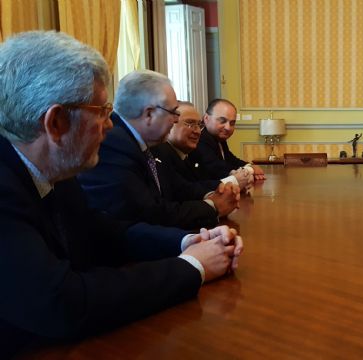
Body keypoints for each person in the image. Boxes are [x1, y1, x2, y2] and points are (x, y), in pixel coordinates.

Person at [0, 31, 243, 356]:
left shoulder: (57, 168)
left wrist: (186, 242)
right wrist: (190, 268)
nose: (111, 124)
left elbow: (103, 232)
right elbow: (63, 302)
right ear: (56, 123)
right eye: (101, 110)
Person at [78, 71, 239, 230]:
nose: (177, 119)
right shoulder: (113, 145)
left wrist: (218, 191)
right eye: (173, 112)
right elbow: (151, 212)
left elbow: (179, 187)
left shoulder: (154, 144)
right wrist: (212, 207)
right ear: (149, 114)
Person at [152, 101, 253, 191]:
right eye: (190, 123)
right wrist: (233, 181)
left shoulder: (185, 153)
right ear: (170, 124)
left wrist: (235, 180)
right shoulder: (159, 155)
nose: (197, 131)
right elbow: (185, 191)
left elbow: (198, 183)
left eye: (199, 125)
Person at [191, 98, 266, 182]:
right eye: (222, 121)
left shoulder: (218, 138)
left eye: (232, 123)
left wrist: (249, 165)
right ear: (206, 118)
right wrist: (250, 170)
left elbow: (230, 159)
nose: (228, 127)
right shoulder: (200, 140)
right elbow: (218, 168)